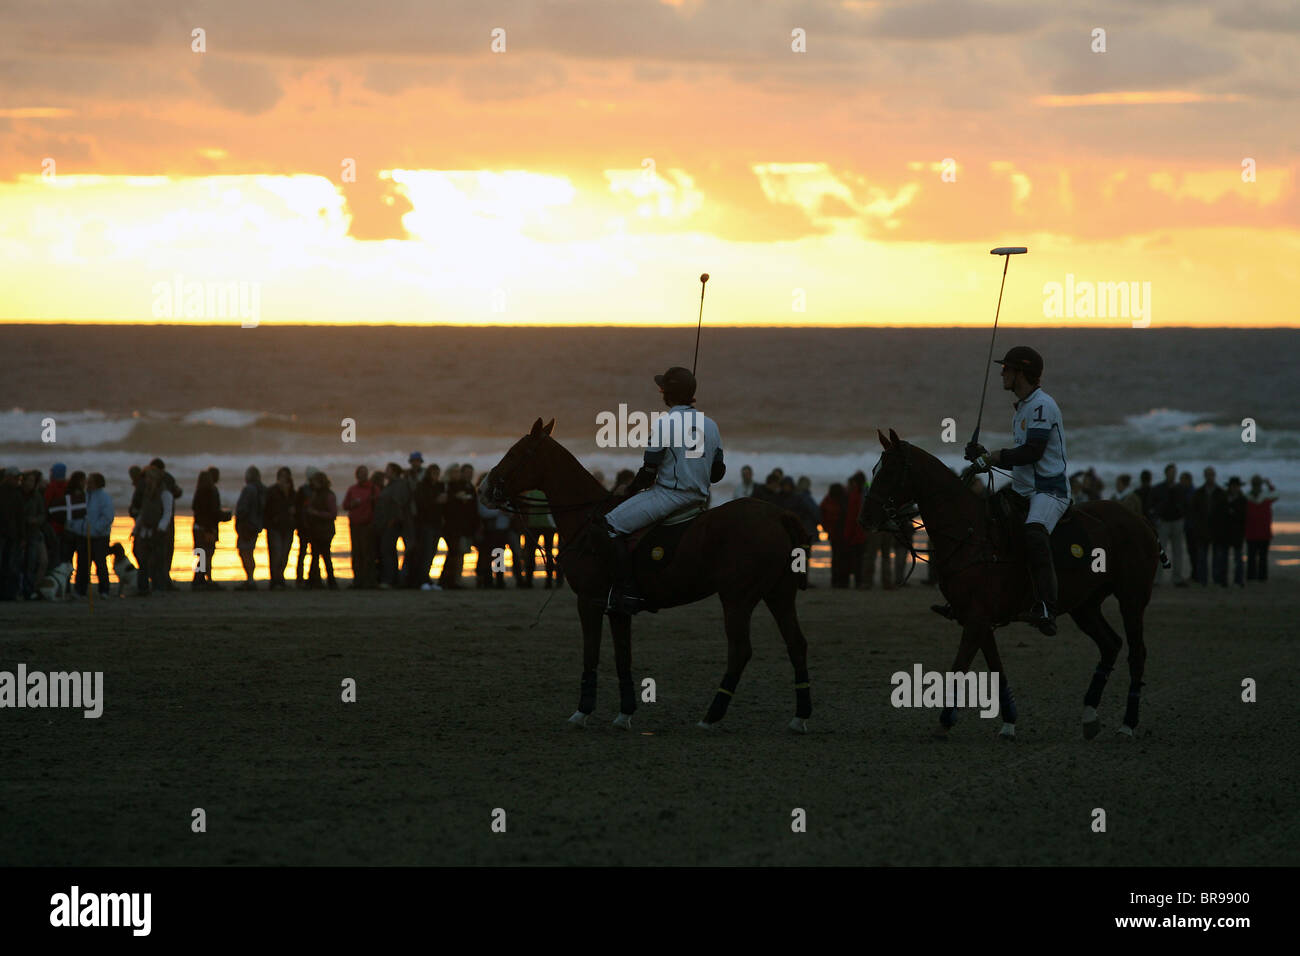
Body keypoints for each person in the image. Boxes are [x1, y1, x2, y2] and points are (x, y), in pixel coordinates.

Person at [592, 366, 724, 613]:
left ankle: (628, 591)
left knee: (608, 525)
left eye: (662, 388)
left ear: (668, 394)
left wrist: (628, 490)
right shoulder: (712, 426)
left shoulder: (665, 424)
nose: (660, 391)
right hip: (700, 500)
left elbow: (648, 472)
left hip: (669, 496)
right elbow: (718, 474)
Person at [964, 345, 1069, 635]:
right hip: (1023, 489)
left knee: (1034, 532)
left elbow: (1033, 452)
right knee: (985, 519)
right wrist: (983, 455)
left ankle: (1047, 607)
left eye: (1006, 369)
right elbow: (1022, 461)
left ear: (1021, 373)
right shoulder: (1023, 408)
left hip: (1048, 491)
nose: (1002, 373)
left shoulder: (1040, 406)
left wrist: (995, 457)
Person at [132, 467, 174, 596]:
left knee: (158, 561)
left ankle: (159, 588)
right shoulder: (146, 493)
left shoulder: (165, 494)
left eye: (150, 478)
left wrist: (160, 529)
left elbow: (167, 514)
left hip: (158, 532)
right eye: (147, 478)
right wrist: (135, 529)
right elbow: (143, 513)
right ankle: (142, 588)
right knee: (142, 561)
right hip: (144, 531)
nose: (148, 481)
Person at [191, 468, 230, 590]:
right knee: (207, 555)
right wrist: (225, 516)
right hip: (207, 528)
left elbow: (198, 509)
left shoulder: (198, 492)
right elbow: (212, 512)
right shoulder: (212, 491)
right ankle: (203, 579)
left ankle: (200, 579)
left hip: (198, 527)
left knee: (202, 555)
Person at [1149, 464, 1187, 586]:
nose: (1172, 475)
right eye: (1171, 472)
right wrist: (1156, 518)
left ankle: (1177, 578)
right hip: (1164, 522)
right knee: (1161, 551)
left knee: (1178, 551)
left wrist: (1182, 515)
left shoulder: (1180, 488)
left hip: (1177, 521)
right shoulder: (1158, 488)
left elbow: (1186, 503)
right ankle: (1157, 579)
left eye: (1174, 472)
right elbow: (1151, 504)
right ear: (1166, 473)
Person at [342, 465, 379, 589]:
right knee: (357, 553)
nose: (362, 475)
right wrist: (352, 504)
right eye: (360, 473)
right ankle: (358, 580)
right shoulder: (352, 489)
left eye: (364, 473)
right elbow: (345, 505)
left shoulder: (374, 489)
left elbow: (379, 506)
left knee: (368, 553)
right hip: (354, 525)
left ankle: (369, 581)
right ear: (357, 475)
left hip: (368, 524)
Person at [1188, 467, 1224, 585]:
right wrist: (1196, 527)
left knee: (1217, 558)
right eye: (1208, 475)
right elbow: (1193, 512)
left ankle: (1216, 579)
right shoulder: (1199, 493)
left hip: (1216, 529)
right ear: (1205, 476)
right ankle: (1202, 580)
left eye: (1211, 475)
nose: (1210, 477)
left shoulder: (1220, 492)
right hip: (1202, 530)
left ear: (1214, 476)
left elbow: (1224, 512)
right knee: (1202, 558)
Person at [411, 465, 444, 590]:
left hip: (436, 523)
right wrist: (436, 501)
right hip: (425, 524)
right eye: (434, 473)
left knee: (431, 553)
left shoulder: (440, 485)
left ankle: (427, 579)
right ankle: (422, 580)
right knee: (425, 553)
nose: (436, 475)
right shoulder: (422, 486)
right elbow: (421, 504)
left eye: (437, 473)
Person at [234, 466, 267, 590]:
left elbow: (243, 508)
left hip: (247, 525)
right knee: (249, 551)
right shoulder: (263, 489)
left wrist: (239, 520)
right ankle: (250, 578)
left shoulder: (249, 489)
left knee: (244, 552)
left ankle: (250, 579)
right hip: (256, 525)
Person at [264, 467, 297, 590]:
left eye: (286, 476)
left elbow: (295, 508)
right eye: (282, 476)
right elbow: (266, 509)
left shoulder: (292, 492)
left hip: (288, 526)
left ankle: (280, 578)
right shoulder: (271, 491)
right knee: (276, 554)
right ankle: (275, 580)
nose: (284, 479)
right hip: (275, 527)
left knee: (284, 554)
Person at [305, 470, 339, 589]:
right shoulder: (316, 494)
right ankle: (317, 581)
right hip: (316, 530)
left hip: (325, 530)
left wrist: (316, 513)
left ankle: (330, 581)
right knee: (316, 556)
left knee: (324, 556)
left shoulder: (328, 495)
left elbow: (333, 514)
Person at [85, 472, 113, 598]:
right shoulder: (85, 496)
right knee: (84, 564)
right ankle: (81, 590)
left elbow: (108, 517)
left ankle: (104, 590)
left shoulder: (104, 497)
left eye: (90, 481)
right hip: (85, 535)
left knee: (100, 563)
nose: (87, 483)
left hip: (100, 536)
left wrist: (96, 529)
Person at [1245, 476, 1277, 582]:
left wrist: (1269, 485)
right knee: (1252, 558)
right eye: (1255, 484)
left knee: (1262, 558)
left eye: (1258, 484)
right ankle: (1251, 577)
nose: (1256, 486)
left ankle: (1261, 577)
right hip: (1252, 533)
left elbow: (1276, 495)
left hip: (1263, 533)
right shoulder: (1247, 498)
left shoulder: (1265, 497)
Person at [1216, 477, 1247, 587]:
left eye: (1236, 486)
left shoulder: (1242, 500)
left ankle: (1238, 580)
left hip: (1237, 533)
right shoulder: (1223, 499)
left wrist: (1233, 513)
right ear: (1230, 487)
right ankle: (1223, 580)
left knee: (1238, 559)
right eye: (1233, 486)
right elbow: (1219, 515)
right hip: (1225, 533)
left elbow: (1243, 517)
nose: (1234, 488)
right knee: (1224, 559)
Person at [0, 467, 24, 600]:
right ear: (7, 477)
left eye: (19, 479)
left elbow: (21, 518)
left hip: (12, 535)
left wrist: (22, 537)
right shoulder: (3, 493)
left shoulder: (17, 494)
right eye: (16, 478)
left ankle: (10, 594)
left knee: (11, 566)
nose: (18, 481)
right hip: (3, 535)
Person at [843, 471, 868, 589]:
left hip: (855, 532)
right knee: (859, 559)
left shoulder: (855, 495)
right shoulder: (864, 494)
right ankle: (858, 582)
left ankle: (852, 582)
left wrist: (848, 533)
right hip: (860, 532)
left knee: (852, 558)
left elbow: (851, 517)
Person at [820, 483, 848, 588]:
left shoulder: (828, 500)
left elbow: (822, 515)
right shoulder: (843, 499)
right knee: (842, 558)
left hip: (835, 532)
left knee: (836, 557)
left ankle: (836, 581)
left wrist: (826, 529)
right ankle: (841, 581)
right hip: (840, 533)